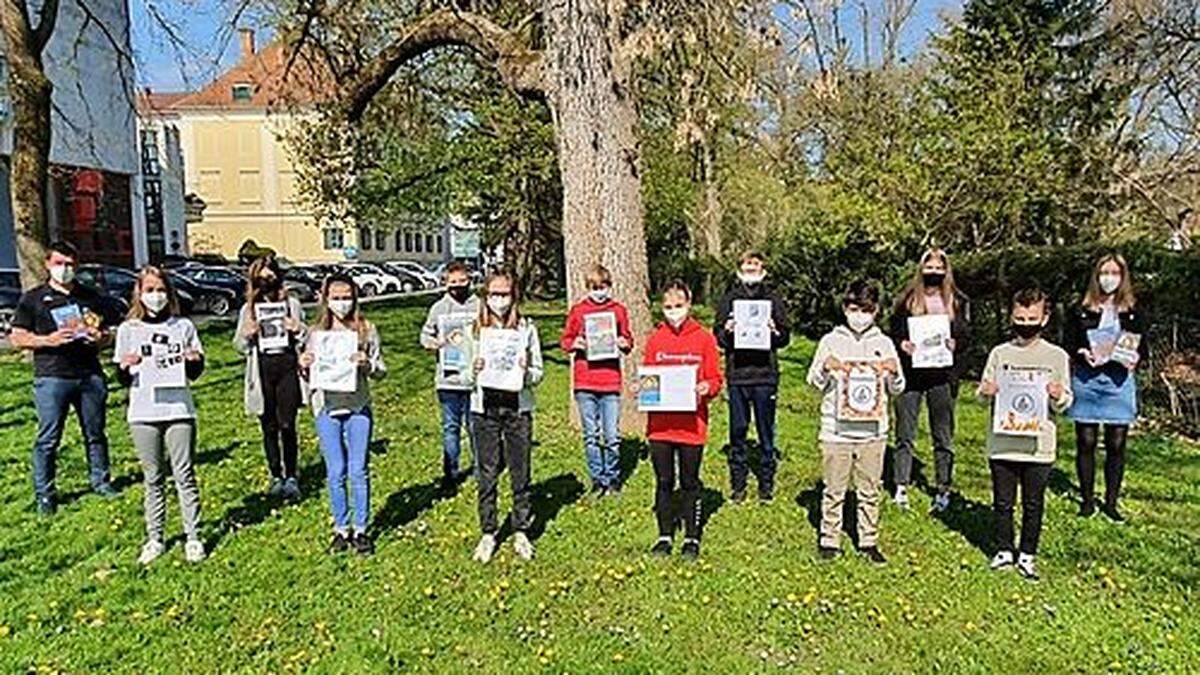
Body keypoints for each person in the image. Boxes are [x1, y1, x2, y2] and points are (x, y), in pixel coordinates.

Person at [10, 241, 118, 515]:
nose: (65, 269)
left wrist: (101, 337)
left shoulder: (90, 296)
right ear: (48, 264)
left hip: (89, 375)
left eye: (70, 264)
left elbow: (110, 333)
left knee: (95, 433)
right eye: (59, 263)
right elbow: (17, 337)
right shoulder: (33, 298)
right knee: (48, 438)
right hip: (52, 376)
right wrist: (48, 340)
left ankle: (101, 481)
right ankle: (45, 494)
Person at [977, 287, 1073, 582]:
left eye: (1032, 317)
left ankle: (1028, 553)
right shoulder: (1000, 353)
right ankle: (1004, 548)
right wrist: (986, 391)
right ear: (1011, 317)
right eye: (1020, 317)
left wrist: (1058, 395)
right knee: (1003, 502)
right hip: (1003, 444)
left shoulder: (1056, 356)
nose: (1026, 322)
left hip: (1038, 445)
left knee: (1034, 503)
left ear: (1044, 319)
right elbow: (981, 395)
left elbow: (1066, 401)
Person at [805, 280, 904, 564]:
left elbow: (898, 387)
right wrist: (825, 367)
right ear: (845, 307)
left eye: (866, 309)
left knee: (870, 489)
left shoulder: (884, 343)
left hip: (874, 430)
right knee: (834, 489)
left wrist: (894, 371)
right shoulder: (830, 341)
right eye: (853, 308)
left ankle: (868, 540)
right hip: (836, 430)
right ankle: (829, 539)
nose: (859, 314)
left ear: (875, 310)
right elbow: (813, 382)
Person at [113, 267, 206, 564]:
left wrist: (193, 360)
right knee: (153, 477)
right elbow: (122, 378)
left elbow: (195, 372)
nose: (156, 296)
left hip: (179, 409)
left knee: (184, 474)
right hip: (143, 412)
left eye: (161, 290)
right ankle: (155, 537)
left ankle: (193, 536)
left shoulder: (183, 327)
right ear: (139, 293)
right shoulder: (129, 330)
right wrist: (125, 366)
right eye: (150, 290)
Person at [636, 280, 724, 560]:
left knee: (689, 481)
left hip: (691, 426)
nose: (674, 311)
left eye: (679, 306)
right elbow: (649, 376)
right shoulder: (656, 339)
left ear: (689, 304)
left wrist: (706, 388)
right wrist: (642, 388)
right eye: (669, 307)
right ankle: (664, 535)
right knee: (663, 480)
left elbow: (715, 379)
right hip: (660, 427)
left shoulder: (704, 338)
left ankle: (691, 537)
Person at [301, 274, 387, 556]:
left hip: (358, 406)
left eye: (346, 296)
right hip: (327, 407)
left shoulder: (366, 330)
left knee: (358, 470)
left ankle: (361, 529)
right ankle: (341, 528)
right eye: (336, 297)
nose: (342, 303)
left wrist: (367, 364)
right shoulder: (315, 334)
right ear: (326, 300)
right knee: (335, 471)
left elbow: (381, 370)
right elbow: (308, 375)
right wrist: (304, 365)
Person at [466, 270, 544, 563]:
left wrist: (526, 373)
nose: (500, 300)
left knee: (520, 469)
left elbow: (538, 373)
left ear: (514, 297)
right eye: (494, 294)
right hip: (484, 408)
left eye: (505, 294)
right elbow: (461, 376)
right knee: (486, 472)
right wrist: (472, 369)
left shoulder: (526, 328)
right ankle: (488, 531)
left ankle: (521, 529)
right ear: (486, 297)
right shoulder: (474, 329)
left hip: (517, 407)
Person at [1065, 254, 1147, 522]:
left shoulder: (1134, 311)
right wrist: (1080, 353)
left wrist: (1135, 357)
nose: (1108, 278)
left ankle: (1111, 502)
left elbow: (1142, 346)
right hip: (1088, 380)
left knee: (1117, 442)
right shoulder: (1080, 309)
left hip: (1119, 382)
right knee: (1086, 441)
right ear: (1096, 275)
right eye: (1104, 272)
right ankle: (1087, 501)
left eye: (1114, 273)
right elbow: (1068, 342)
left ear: (1123, 277)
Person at [888, 248, 971, 512]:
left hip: (942, 376)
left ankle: (943, 486)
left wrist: (956, 344)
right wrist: (902, 344)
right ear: (921, 270)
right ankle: (901, 484)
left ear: (946, 271)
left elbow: (968, 338)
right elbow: (893, 331)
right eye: (929, 268)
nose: (934, 273)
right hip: (911, 375)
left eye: (938, 268)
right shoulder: (907, 299)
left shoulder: (958, 301)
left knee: (943, 435)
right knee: (904, 432)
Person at [713, 251, 791, 503]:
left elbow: (785, 337)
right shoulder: (729, 299)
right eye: (747, 266)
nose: (751, 270)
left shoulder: (773, 299)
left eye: (756, 266)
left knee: (766, 432)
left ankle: (766, 484)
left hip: (765, 374)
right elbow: (719, 338)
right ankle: (738, 484)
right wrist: (727, 330)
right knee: (738, 430)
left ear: (763, 269)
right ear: (739, 269)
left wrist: (774, 331)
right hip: (737, 375)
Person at [234, 255, 307, 499]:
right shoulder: (248, 309)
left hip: (287, 366)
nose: (267, 280)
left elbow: (306, 338)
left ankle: (292, 474)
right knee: (268, 425)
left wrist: (297, 328)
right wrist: (247, 333)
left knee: (288, 424)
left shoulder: (292, 304)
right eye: (262, 276)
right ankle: (275, 474)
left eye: (271, 274)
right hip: (262, 368)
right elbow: (239, 345)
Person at [560, 264, 634, 496]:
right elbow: (565, 340)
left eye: (602, 286)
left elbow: (628, 339)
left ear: (609, 286)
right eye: (594, 287)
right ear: (587, 287)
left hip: (610, 381)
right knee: (591, 435)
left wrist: (624, 343)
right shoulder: (578, 310)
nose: (599, 291)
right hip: (585, 381)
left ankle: (612, 478)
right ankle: (597, 479)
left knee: (611, 435)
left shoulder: (618, 310)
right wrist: (575, 344)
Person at [420, 261, 481, 487]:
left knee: (475, 425)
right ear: (445, 283)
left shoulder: (480, 305)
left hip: (475, 379)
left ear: (469, 280)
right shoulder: (438, 308)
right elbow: (425, 335)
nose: (458, 286)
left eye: (462, 281)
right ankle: (451, 470)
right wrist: (434, 344)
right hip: (448, 378)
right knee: (450, 426)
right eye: (453, 282)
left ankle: (479, 467)